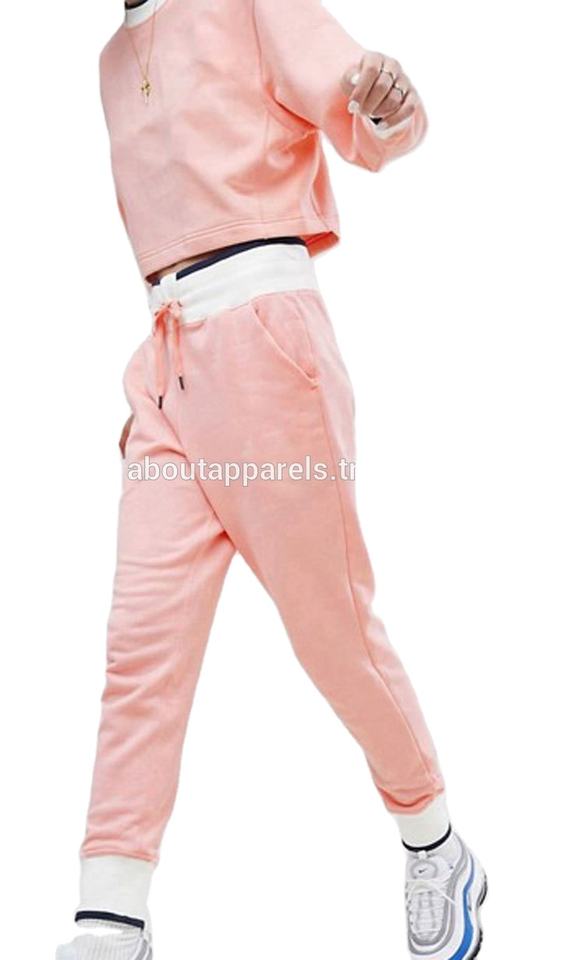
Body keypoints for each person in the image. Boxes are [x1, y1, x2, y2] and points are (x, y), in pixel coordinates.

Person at [56, 1, 486, 958]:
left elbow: (369, 111)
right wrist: (168, 392)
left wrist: (386, 102)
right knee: (141, 645)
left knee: (329, 628)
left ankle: (435, 842)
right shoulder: (108, 60)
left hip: (266, 343)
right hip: (166, 368)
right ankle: (111, 918)